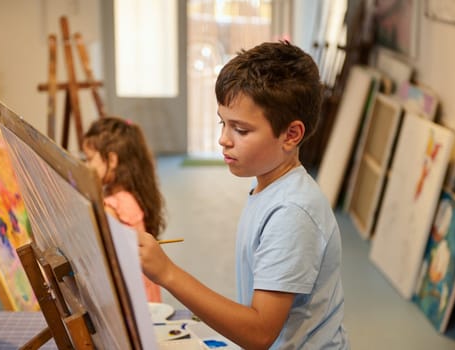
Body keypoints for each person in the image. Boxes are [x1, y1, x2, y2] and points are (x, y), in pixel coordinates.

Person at [138, 41, 349, 349]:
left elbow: (259, 332)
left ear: (291, 135)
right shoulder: (270, 186)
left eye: (241, 130)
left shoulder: (292, 213)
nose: (223, 139)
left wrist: (167, 273)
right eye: (223, 123)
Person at [82, 116, 166, 303]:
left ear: (111, 159)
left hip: (132, 304)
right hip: (147, 297)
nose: (86, 166)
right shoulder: (134, 195)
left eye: (89, 159)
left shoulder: (112, 208)